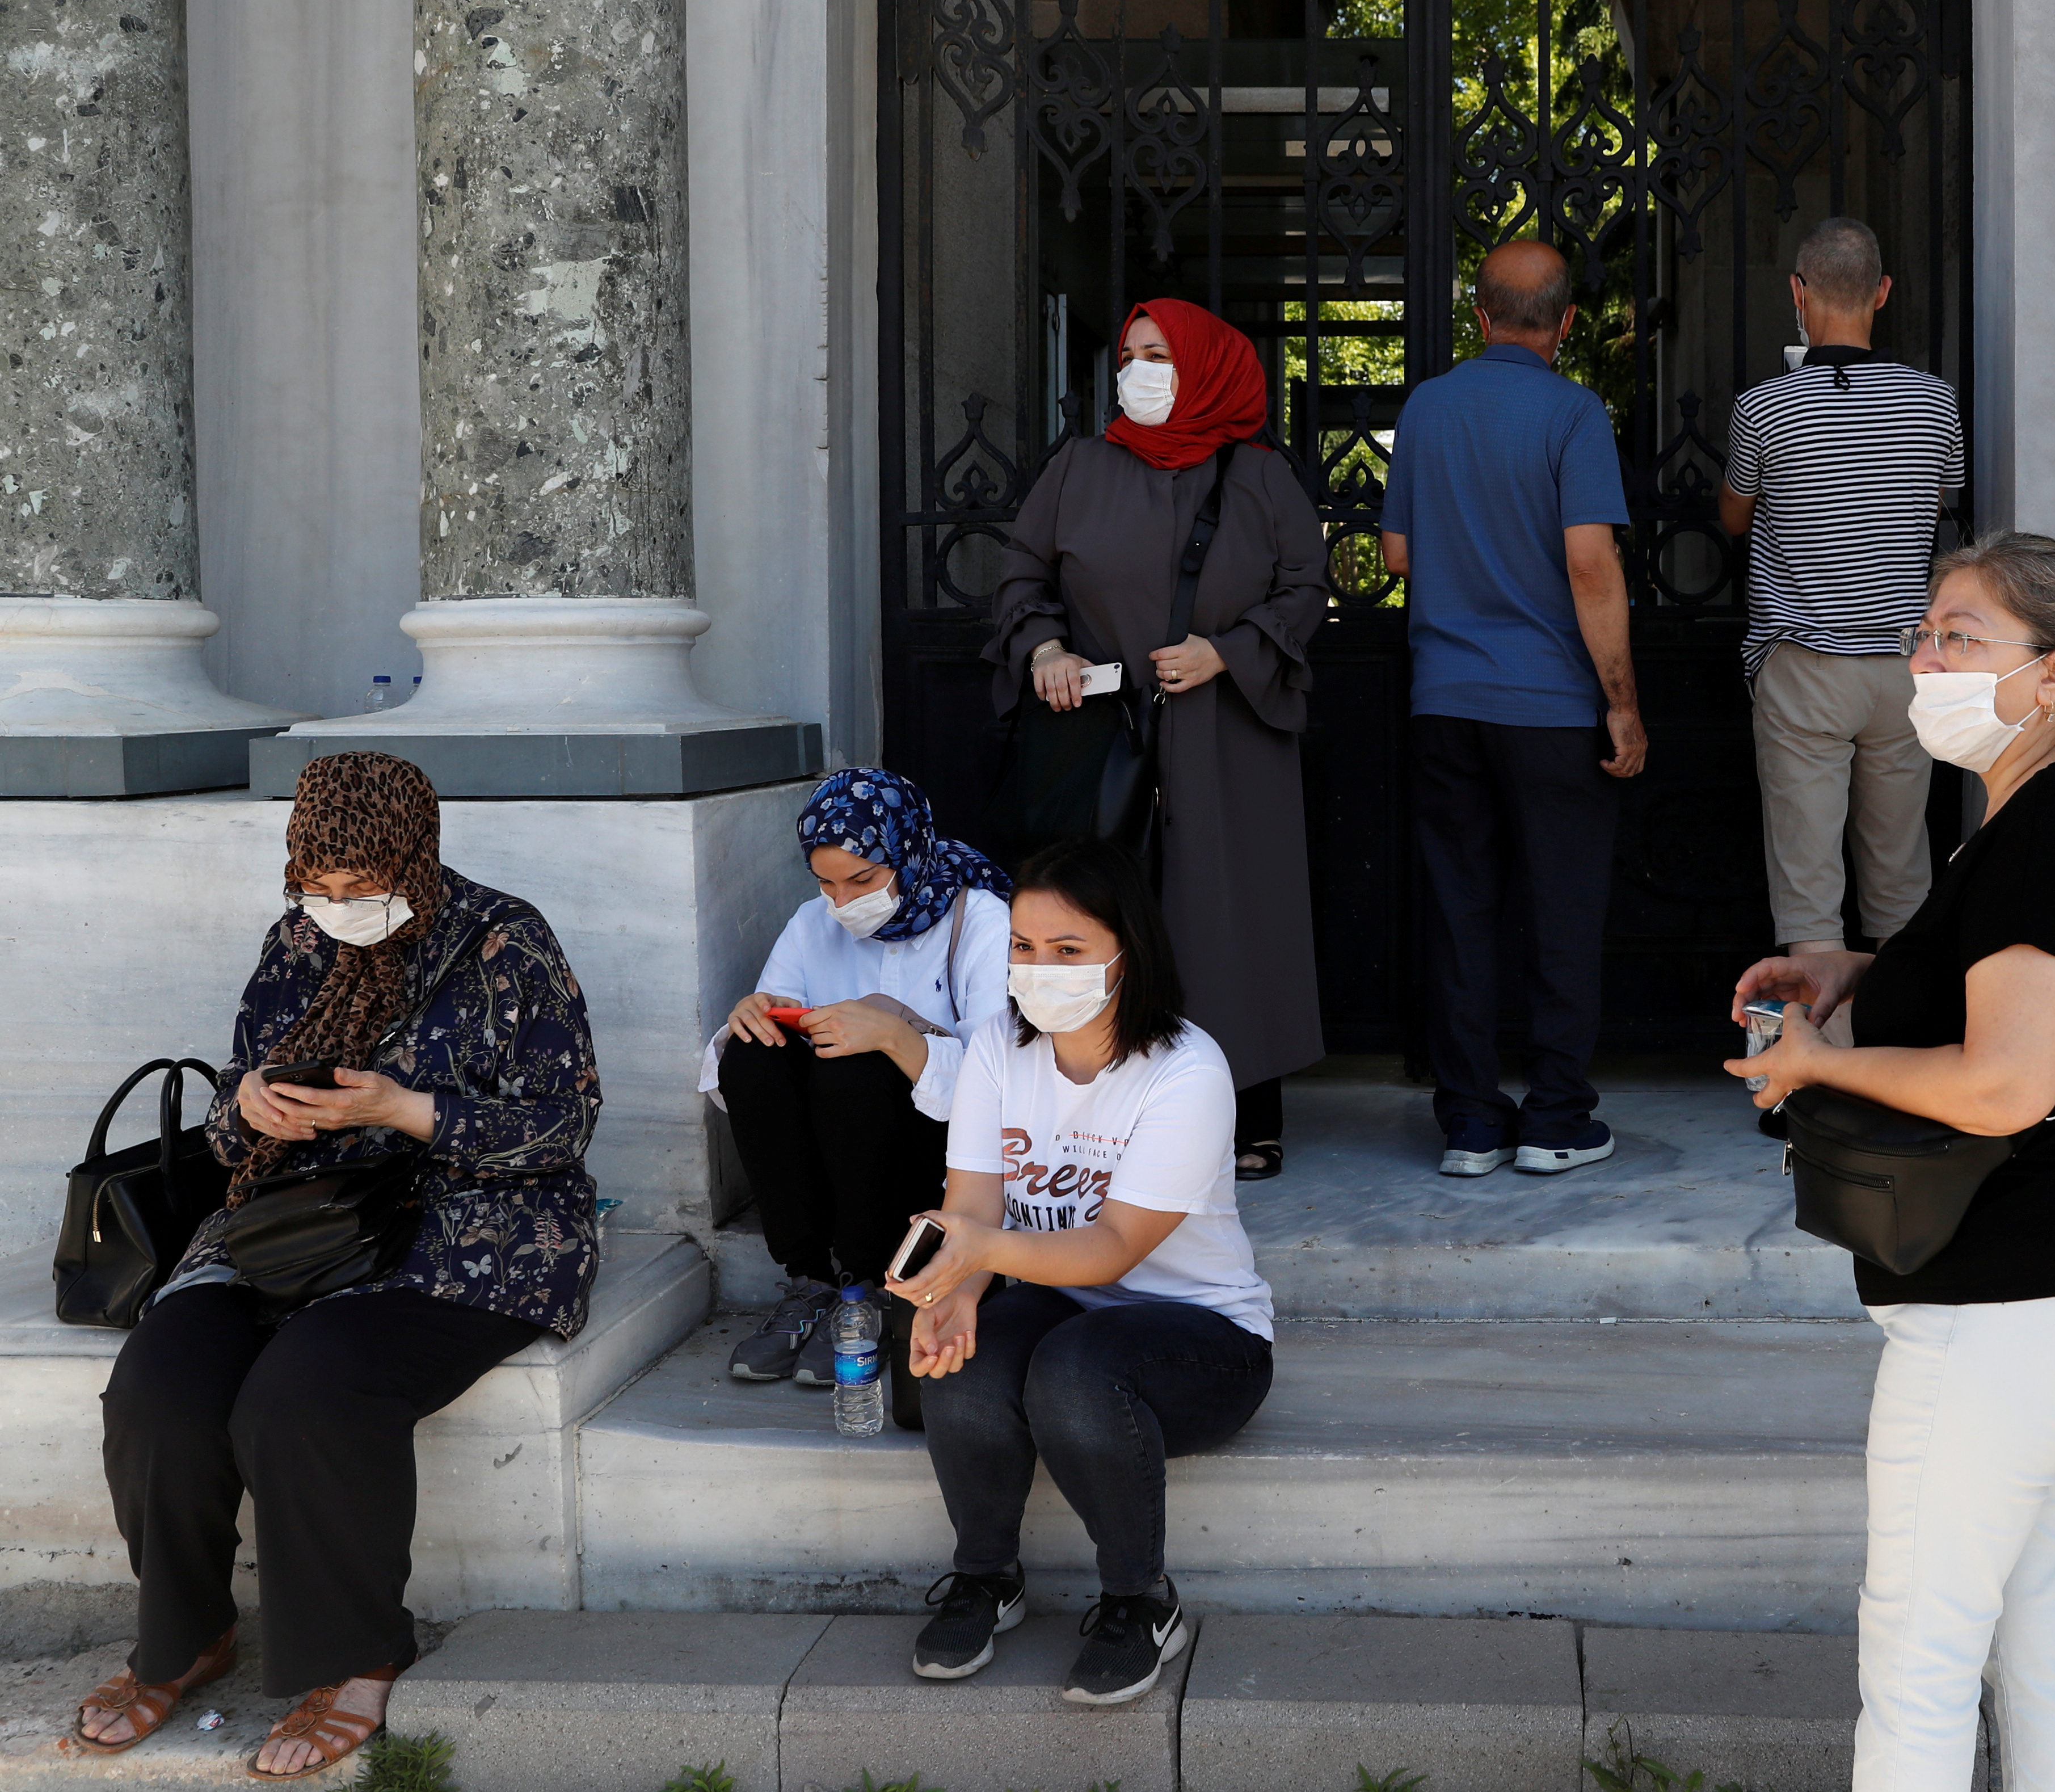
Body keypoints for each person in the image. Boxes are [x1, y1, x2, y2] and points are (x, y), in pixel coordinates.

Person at [1725, 533, 2055, 1791]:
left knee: (1919, 1661)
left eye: (1959, 637)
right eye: (1927, 632)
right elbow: (2005, 991)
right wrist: (1858, 973)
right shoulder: (2046, 811)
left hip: (2014, 1304)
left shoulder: (2048, 828)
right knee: (2041, 1646)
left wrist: (1819, 1062)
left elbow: (2006, 1081)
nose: (1923, 657)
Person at [79, 751, 601, 1780]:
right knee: (158, 1384)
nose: (338, 908)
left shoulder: (505, 940)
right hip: (292, 1224)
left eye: (361, 889)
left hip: (466, 1231)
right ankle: (184, 1639)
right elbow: (233, 1111)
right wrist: (254, 1108)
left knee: (307, 1392)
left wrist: (405, 1110)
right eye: (318, 887)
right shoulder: (295, 940)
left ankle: (356, 1655)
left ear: (413, 857)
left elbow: (563, 1123)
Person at [885, 838, 1273, 1709]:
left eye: (1068, 950)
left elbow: (1113, 1248)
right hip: (1066, 1307)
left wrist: (977, 1256)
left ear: (1127, 953)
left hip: (1204, 1337)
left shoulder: (1186, 1070)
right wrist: (951, 1291)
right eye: (1022, 947)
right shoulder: (995, 1045)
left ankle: (1140, 1601)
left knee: (1072, 1365)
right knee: (965, 1352)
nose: (1037, 967)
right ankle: (987, 1579)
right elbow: (972, 1205)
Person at [987, 297, 1325, 1183]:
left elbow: (1305, 589)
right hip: (1103, 726)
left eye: (1160, 355)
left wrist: (1228, 651)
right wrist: (1046, 648)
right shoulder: (1081, 466)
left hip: (1227, 729)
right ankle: (1103, 1111)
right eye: (1130, 353)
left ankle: (1243, 1109)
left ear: (1208, 366)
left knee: (1227, 916)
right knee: (1104, 910)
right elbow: (1022, 573)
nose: (1138, 371)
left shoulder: (1259, 475)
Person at [1379, 239, 1647, 1180]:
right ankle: (1556, 1120)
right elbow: (1589, 562)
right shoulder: (1575, 414)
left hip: (1444, 699)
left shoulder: (1426, 407)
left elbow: (1398, 557)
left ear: (1479, 315)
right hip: (1549, 704)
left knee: (1461, 910)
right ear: (1567, 323)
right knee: (1562, 911)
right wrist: (1621, 704)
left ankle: (1469, 1124)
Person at [702, 766, 1013, 1387]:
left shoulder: (977, 919)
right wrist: (751, 1016)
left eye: (863, 880)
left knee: (862, 1064)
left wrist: (899, 1038)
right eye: (827, 883)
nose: (843, 902)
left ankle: (871, 1289)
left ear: (908, 850)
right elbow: (763, 1039)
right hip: (835, 1151)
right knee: (751, 1051)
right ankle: (811, 1282)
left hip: (932, 1161)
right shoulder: (813, 922)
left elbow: (1003, 1082)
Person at [1723, 216, 1965, 958]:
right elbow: (1945, 509)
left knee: (1807, 892)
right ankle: (1896, 1060)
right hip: (1902, 669)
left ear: (1797, 293)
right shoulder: (1934, 403)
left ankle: (1810, 1066)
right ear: (1882, 292)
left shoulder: (1762, 409)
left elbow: (1733, 518)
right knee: (1900, 881)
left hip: (1804, 665)